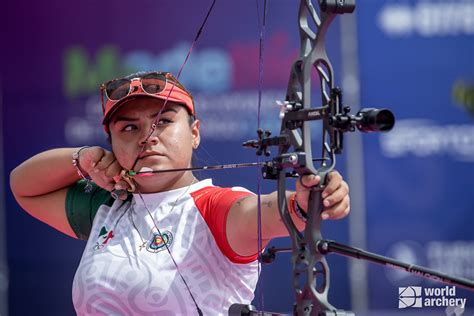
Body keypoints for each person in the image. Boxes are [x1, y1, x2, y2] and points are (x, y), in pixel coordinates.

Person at [10, 71, 350, 315]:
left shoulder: (214, 207)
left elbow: (268, 212)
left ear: (195, 133)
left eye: (163, 122)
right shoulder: (108, 206)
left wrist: (309, 200)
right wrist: (82, 159)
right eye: (129, 128)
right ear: (111, 144)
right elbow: (23, 187)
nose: (147, 137)